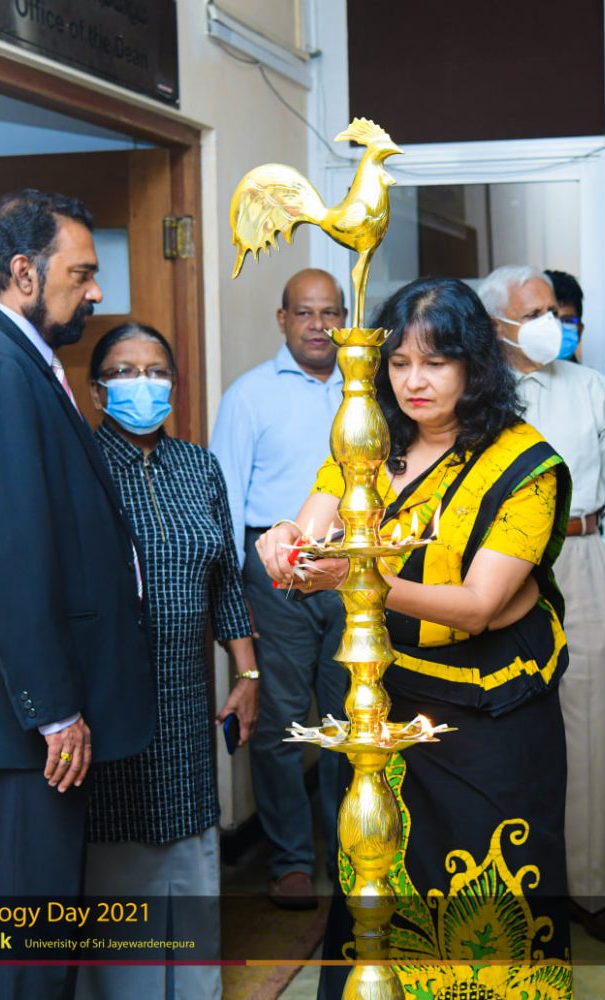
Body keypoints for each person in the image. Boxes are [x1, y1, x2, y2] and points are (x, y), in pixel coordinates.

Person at [256, 276, 574, 999]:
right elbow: (313, 525)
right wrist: (285, 540)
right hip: (385, 702)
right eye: (399, 363)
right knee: (378, 884)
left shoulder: (525, 464)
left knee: (486, 904)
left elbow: (478, 607)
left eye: (436, 362)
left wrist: (352, 576)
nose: (414, 382)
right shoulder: (369, 443)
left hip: (489, 720)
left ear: (476, 364)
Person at [0, 189, 155, 1000]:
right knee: (22, 949)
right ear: (24, 272)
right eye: (81, 274)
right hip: (25, 724)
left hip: (34, 718)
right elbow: (2, 555)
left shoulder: (19, 355)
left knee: (41, 941)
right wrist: (52, 709)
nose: (96, 292)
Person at [76, 322, 260, 1000]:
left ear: (175, 387)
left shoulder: (198, 467)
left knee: (188, 840)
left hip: (186, 696)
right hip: (109, 698)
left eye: (156, 372)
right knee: (119, 842)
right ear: (96, 391)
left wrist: (246, 673)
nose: (143, 384)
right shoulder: (81, 468)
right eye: (125, 372)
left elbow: (226, 580)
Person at [481, 264, 605, 944]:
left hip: (582, 558)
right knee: (500, 727)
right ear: (498, 325)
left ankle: (587, 889)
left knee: (588, 728)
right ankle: (507, 889)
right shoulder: (475, 394)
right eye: (535, 313)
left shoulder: (591, 389)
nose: (552, 324)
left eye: (555, 311)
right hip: (493, 573)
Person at [209, 268, 349, 910]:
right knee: (283, 725)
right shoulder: (249, 395)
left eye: (330, 312)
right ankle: (291, 860)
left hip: (352, 568)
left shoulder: (367, 391)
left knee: (352, 722)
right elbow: (226, 502)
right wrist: (238, 595)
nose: (319, 325)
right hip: (274, 574)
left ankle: (353, 854)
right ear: (283, 319)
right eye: (305, 312)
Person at [545, 268, 585, 362]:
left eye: (567, 320)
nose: (558, 328)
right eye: (550, 320)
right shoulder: (511, 371)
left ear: (580, 329)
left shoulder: (590, 373)